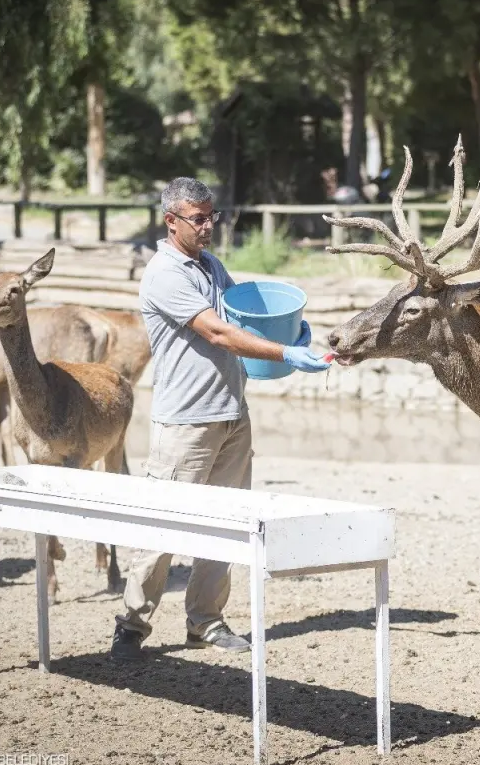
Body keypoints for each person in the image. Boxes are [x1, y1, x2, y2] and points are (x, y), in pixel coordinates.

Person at [110, 177, 331, 661]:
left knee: (226, 526)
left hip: (232, 414)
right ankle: (131, 625)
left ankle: (205, 622)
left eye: (213, 216)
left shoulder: (211, 265)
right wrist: (286, 353)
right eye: (199, 219)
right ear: (171, 222)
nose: (209, 227)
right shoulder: (166, 273)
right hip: (185, 423)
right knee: (163, 525)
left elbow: (242, 317)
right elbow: (219, 333)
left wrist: (290, 331)